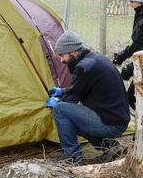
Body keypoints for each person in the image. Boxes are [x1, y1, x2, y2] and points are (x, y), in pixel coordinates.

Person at [46, 31, 130, 165]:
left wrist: (57, 103)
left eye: (62, 55)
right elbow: (81, 88)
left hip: (110, 124)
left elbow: (71, 99)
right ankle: (111, 147)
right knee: (73, 119)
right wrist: (62, 91)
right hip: (118, 119)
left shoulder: (83, 67)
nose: (61, 60)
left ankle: (72, 159)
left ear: (72, 52)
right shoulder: (94, 59)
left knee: (61, 111)